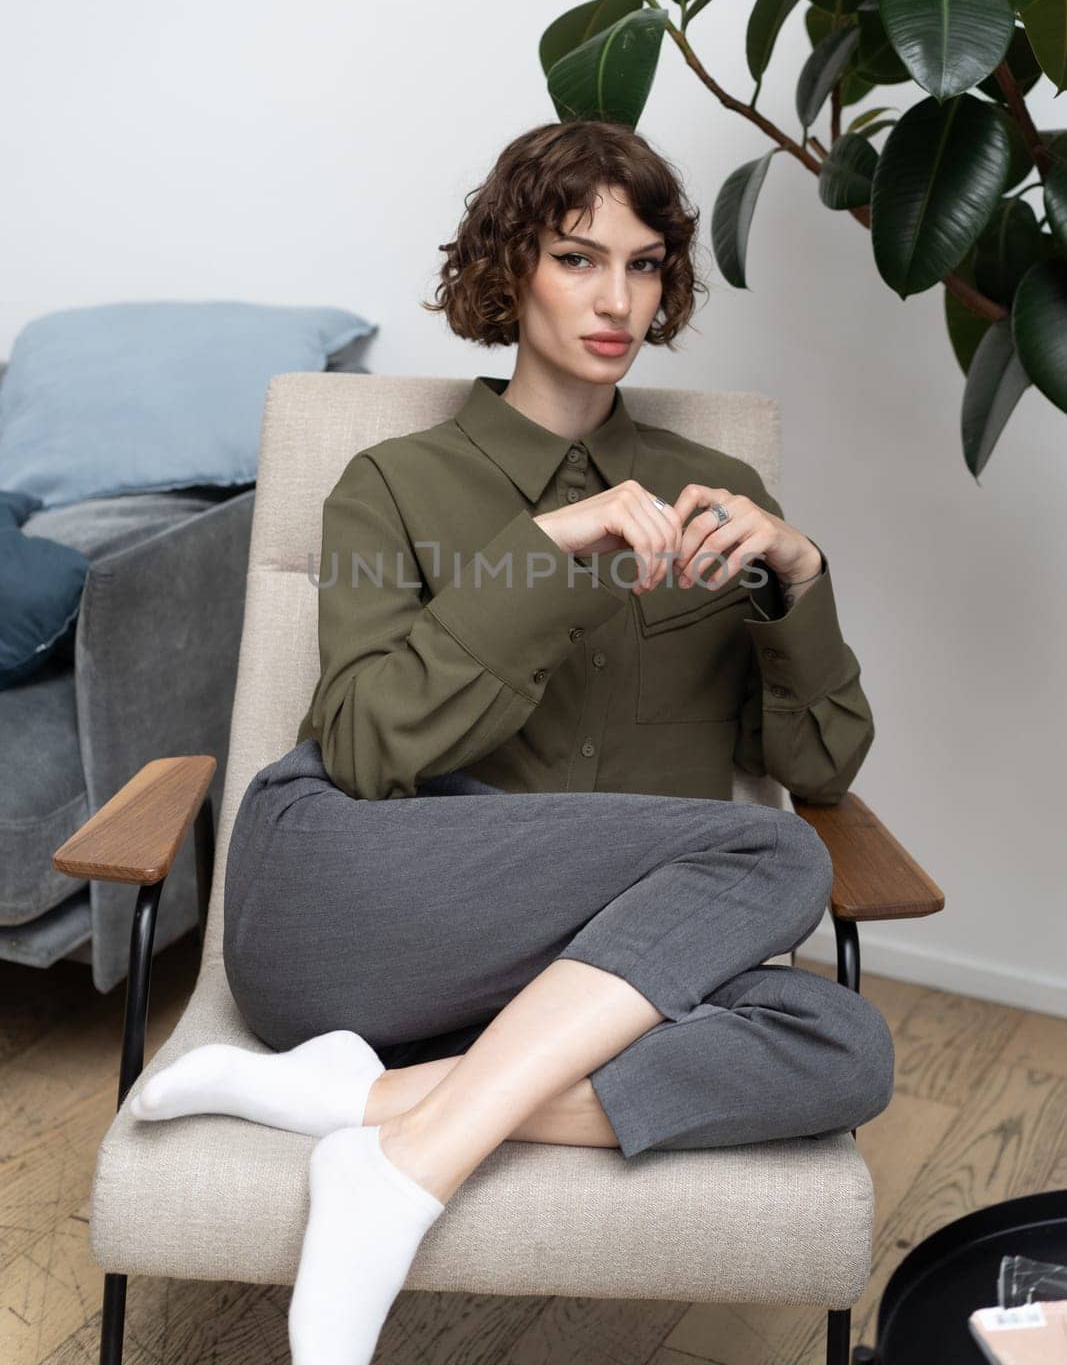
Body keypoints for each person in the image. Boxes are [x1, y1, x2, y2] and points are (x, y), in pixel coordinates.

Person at [129, 119, 894, 1365]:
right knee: (774, 864)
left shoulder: (714, 493)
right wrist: (549, 549)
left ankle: (373, 1120)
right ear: (508, 270)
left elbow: (818, 768)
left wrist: (797, 578)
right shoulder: (392, 482)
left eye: (644, 266)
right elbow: (370, 742)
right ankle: (393, 1139)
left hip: (604, 977)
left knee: (843, 1047)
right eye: (577, 258)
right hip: (360, 899)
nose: (616, 299)